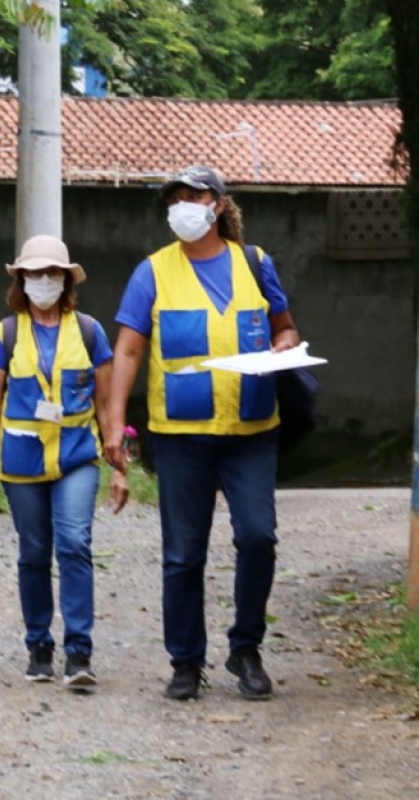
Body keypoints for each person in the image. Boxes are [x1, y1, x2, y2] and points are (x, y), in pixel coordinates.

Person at [102, 165, 302, 701]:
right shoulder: (152, 272)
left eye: (195, 196)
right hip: (181, 438)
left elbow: (285, 327)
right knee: (184, 553)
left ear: (219, 205)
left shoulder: (255, 263)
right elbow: (128, 350)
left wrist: (283, 348)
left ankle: (246, 649)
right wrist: (115, 424)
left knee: (258, 537)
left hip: (251, 432)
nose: (184, 206)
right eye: (176, 198)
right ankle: (186, 661)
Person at [0, 235, 128, 690]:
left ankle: (79, 651)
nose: (44, 280)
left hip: (77, 457)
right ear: (21, 280)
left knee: (74, 543)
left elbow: (106, 405)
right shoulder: (5, 335)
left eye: (52, 273)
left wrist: (120, 468)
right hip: (20, 463)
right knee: (34, 551)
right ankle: (39, 646)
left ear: (66, 280)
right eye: (35, 273)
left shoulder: (89, 332)